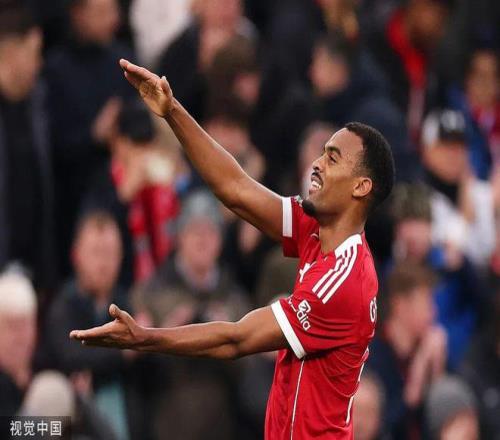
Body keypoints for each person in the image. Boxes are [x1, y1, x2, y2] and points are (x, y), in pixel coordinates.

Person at [70, 58, 395, 439]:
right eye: (322, 153)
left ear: (361, 187)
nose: (317, 164)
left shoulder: (343, 281)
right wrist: (172, 111)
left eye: (333, 158)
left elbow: (236, 338)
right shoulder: (317, 228)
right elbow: (236, 190)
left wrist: (145, 338)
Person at [0, 2, 57, 292]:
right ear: (10, 53)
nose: (39, 63)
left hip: (33, 271)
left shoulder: (37, 107)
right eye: (34, 53)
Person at [368, 263, 447, 439]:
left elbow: (438, 419)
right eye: (426, 303)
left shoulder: (427, 348)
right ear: (400, 305)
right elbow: (386, 424)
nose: (433, 313)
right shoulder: (373, 356)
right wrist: (419, 369)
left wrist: (437, 368)